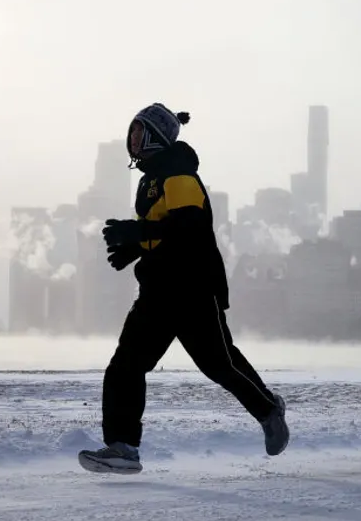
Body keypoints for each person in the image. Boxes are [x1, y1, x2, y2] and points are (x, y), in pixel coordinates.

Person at [78, 103, 289, 475]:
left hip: (192, 289)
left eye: (139, 132)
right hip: (157, 291)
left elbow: (189, 228)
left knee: (220, 366)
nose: (132, 140)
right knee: (125, 366)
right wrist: (135, 248)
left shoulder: (179, 175)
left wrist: (139, 232)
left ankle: (269, 410)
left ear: (157, 137)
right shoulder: (151, 179)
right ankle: (123, 448)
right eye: (131, 132)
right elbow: (164, 231)